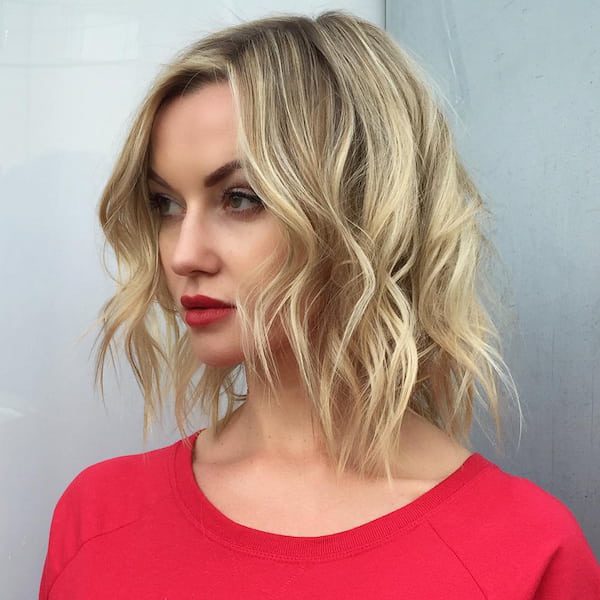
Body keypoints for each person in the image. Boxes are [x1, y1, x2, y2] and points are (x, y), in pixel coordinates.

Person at [39, 9, 599, 599]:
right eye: (166, 205)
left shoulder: (523, 551)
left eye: (240, 198)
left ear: (363, 211)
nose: (183, 254)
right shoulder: (97, 517)